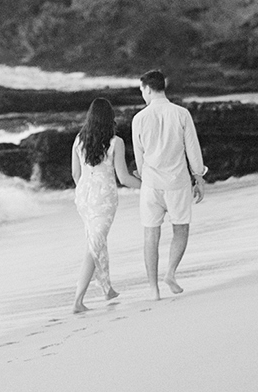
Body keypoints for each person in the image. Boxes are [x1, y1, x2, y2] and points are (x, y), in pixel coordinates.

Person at [130, 69, 206, 300]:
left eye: (142, 90)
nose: (142, 94)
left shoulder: (139, 119)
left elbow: (139, 157)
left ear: (148, 89)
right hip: (177, 183)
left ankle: (153, 289)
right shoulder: (181, 114)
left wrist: (143, 176)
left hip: (151, 184)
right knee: (180, 228)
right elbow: (192, 149)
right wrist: (199, 177)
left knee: (150, 235)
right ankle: (171, 273)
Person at [71, 97, 141, 313]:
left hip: (84, 196)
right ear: (109, 118)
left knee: (96, 241)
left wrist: (86, 191)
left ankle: (107, 289)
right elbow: (124, 177)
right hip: (104, 199)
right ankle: (77, 300)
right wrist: (147, 186)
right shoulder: (115, 142)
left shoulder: (79, 140)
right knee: (93, 246)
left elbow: (75, 174)